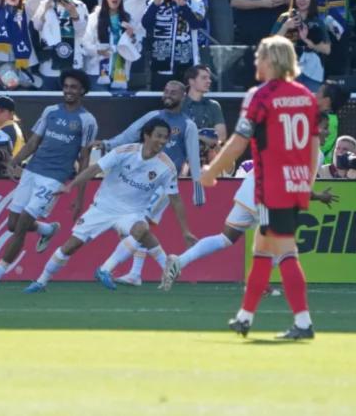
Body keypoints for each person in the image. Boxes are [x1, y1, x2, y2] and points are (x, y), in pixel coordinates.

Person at [199, 35, 320, 340]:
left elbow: (239, 141)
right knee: (263, 250)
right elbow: (314, 143)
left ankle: (303, 322)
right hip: (294, 183)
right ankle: (244, 317)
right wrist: (307, 181)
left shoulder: (260, 96)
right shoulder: (307, 95)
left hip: (273, 185)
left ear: (272, 60)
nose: (257, 62)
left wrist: (212, 171)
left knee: (285, 251)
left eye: (260, 57)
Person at [161, 128, 338, 290]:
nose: (327, 132)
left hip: (250, 189)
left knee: (226, 238)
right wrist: (318, 196)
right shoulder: (308, 152)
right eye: (323, 126)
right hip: (266, 195)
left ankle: (179, 261)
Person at [0, 69, 97, 289]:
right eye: (66, 86)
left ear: (83, 91)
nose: (69, 90)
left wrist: (79, 195)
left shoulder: (87, 120)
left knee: (21, 226)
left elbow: (84, 160)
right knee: (12, 224)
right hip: (31, 171)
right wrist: (14, 163)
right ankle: (47, 230)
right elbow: (33, 143)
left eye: (74, 87)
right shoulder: (50, 111)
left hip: (53, 180)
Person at [22, 118, 177, 293]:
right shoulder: (124, 152)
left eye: (166, 138)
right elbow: (94, 169)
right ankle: (41, 281)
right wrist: (70, 186)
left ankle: (105, 269)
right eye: (159, 136)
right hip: (102, 207)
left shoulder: (166, 166)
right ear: (147, 135)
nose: (163, 141)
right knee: (70, 246)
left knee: (142, 229)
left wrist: (185, 230)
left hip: (131, 213)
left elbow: (176, 198)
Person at [93, 80, 200, 286]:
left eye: (174, 92)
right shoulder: (153, 117)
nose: (168, 95)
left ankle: (107, 268)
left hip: (163, 184)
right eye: (166, 91)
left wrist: (198, 189)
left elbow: (194, 160)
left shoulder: (188, 125)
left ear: (183, 96)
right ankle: (143, 272)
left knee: (139, 226)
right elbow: (130, 134)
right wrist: (108, 144)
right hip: (141, 181)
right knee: (139, 227)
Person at [143, 0, 205, 90]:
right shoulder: (154, 2)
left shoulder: (196, 2)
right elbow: (146, 24)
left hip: (187, 66)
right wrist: (156, 4)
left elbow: (197, 24)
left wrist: (183, 5)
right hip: (160, 65)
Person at [33, 0, 88, 89]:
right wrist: (44, 10)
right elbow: (37, 27)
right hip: (49, 66)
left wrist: (74, 14)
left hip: (73, 64)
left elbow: (82, 33)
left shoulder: (79, 6)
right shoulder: (44, 4)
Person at [82, 0, 140, 90]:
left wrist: (132, 37)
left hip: (120, 74)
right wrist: (98, 51)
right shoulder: (94, 18)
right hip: (97, 72)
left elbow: (137, 48)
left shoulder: (128, 18)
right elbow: (85, 43)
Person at [272, 0, 331, 90]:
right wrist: (286, 26)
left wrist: (308, 41)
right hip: (288, 68)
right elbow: (271, 44)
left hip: (312, 71)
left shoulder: (317, 21)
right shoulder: (284, 18)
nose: (302, 0)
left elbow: (327, 49)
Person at [183, 64, 226, 141]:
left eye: (209, 78)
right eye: (204, 78)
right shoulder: (179, 104)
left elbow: (221, 136)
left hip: (208, 150)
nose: (209, 81)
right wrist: (202, 138)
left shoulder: (213, 105)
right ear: (191, 81)